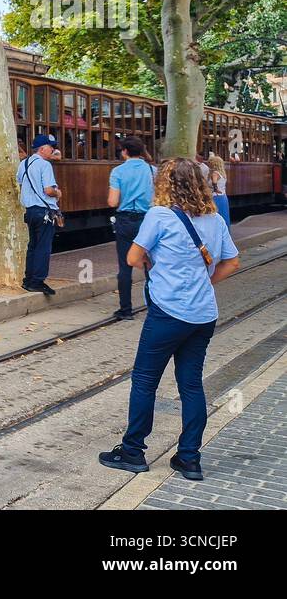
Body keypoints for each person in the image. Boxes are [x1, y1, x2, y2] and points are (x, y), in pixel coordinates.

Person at [99, 159, 240, 482]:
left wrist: (160, 266)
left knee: (145, 381)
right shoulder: (215, 219)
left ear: (165, 184)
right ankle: (189, 459)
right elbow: (232, 262)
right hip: (203, 315)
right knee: (191, 385)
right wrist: (201, 283)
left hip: (167, 312)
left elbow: (133, 258)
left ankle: (132, 451)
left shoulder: (160, 216)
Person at [107, 136, 155, 319]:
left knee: (125, 266)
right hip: (148, 220)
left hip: (125, 221)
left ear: (124, 151)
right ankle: (154, 306)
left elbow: (112, 201)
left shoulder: (117, 171)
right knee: (151, 264)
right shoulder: (152, 170)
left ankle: (125, 310)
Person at [17, 133, 61, 295]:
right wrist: (58, 193)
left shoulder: (24, 163)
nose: (53, 150)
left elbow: (21, 182)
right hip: (44, 212)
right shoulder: (45, 165)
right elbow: (48, 190)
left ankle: (28, 280)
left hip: (30, 211)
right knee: (43, 247)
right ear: (42, 149)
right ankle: (37, 281)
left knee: (33, 246)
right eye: (51, 147)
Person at [207, 155, 230, 226]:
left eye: (210, 163)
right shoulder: (223, 174)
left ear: (214, 164)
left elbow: (214, 182)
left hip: (215, 197)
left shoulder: (215, 173)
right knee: (224, 216)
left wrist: (215, 189)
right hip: (223, 197)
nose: (208, 164)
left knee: (215, 217)